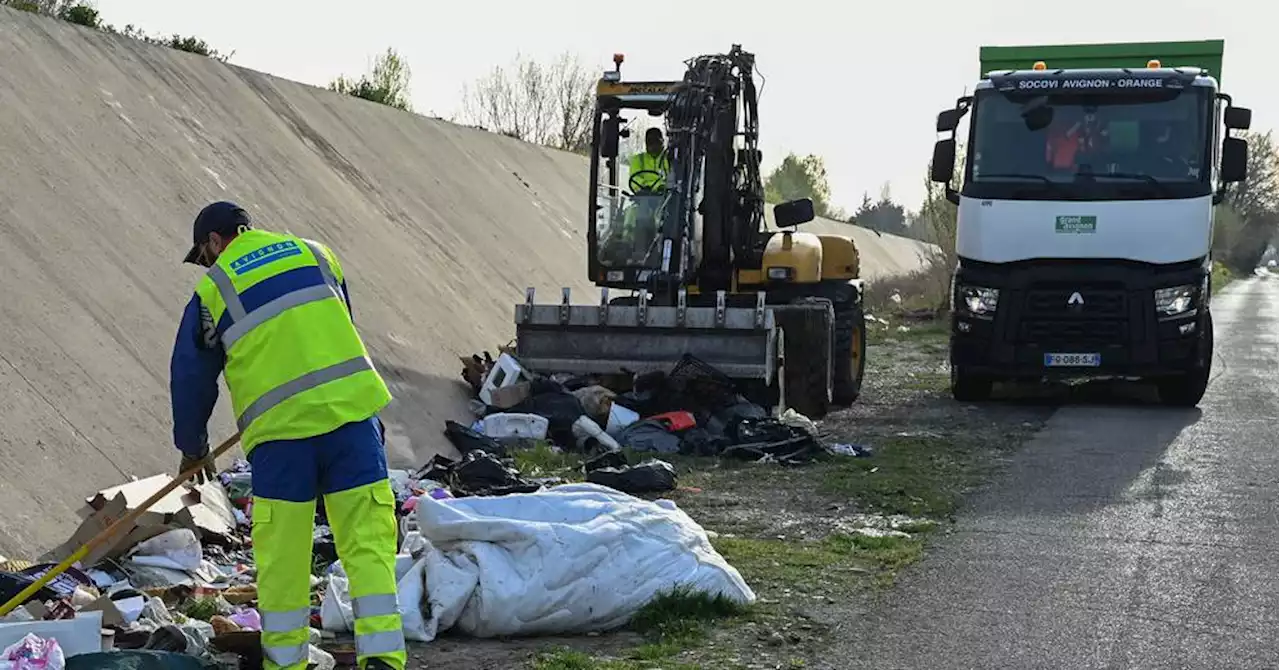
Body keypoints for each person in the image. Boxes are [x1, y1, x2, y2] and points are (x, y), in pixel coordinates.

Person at [169, 201, 406, 670]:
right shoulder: (316, 254)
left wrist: (192, 448)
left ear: (215, 242)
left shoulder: (213, 291)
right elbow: (340, 328)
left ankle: (287, 664)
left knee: (284, 559)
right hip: (353, 425)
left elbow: (190, 379)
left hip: (282, 441)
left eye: (203, 254)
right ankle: (383, 661)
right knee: (368, 549)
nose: (207, 264)